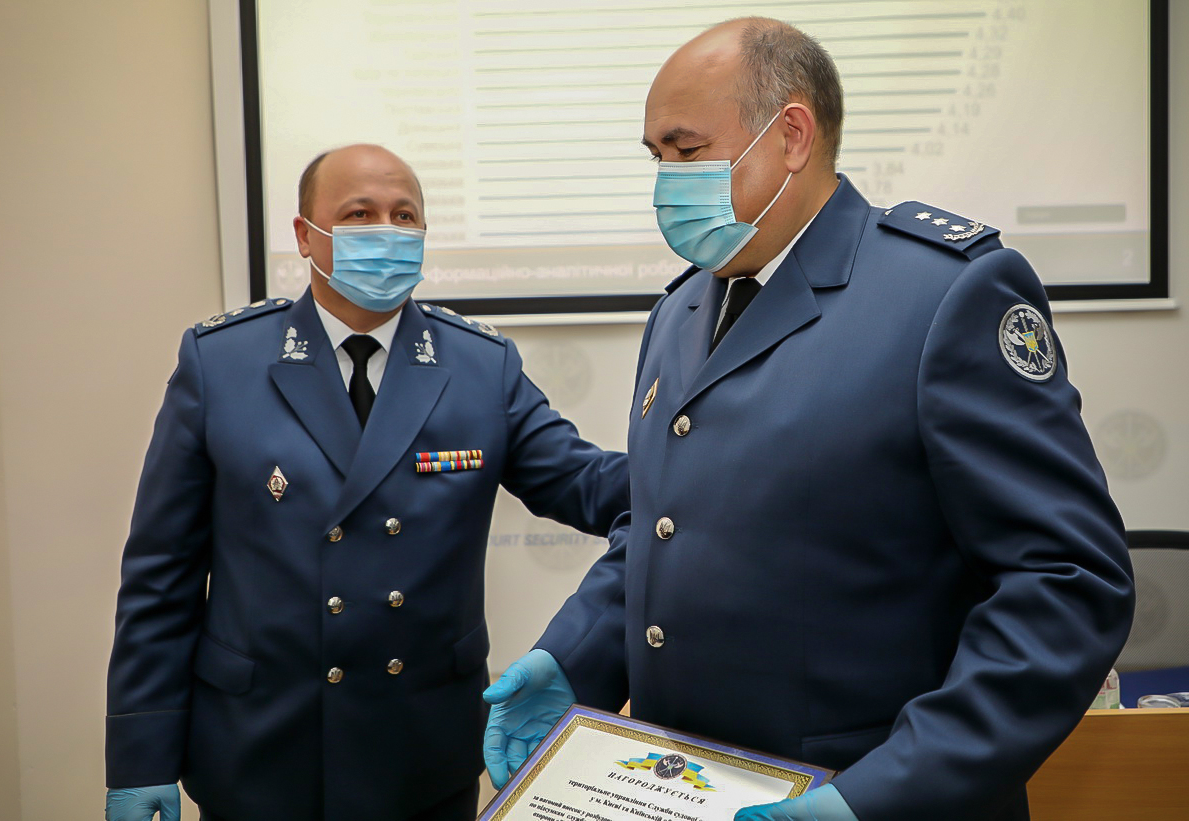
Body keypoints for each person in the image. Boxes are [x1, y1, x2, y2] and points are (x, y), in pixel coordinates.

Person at [483, 18, 1134, 821]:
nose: (665, 185)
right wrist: (573, 657)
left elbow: (1066, 582)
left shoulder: (943, 294)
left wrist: (878, 795)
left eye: (687, 152)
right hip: (682, 787)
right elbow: (664, 526)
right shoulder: (683, 309)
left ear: (792, 135)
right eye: (656, 158)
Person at [104, 143, 629, 821]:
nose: (387, 231)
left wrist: (701, 463)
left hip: (420, 753)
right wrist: (141, 754)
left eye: (404, 216)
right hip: (259, 751)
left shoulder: (480, 366)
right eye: (359, 214)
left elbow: (586, 482)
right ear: (305, 235)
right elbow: (161, 575)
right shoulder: (222, 363)